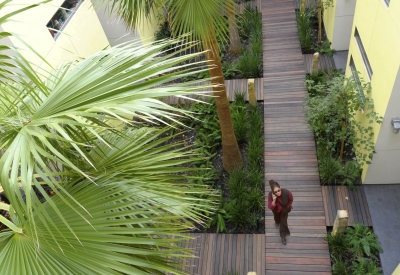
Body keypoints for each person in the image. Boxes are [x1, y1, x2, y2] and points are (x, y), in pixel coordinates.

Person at [267, 179, 293, 245]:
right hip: (276, 210)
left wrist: (287, 206)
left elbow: (291, 199)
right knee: (277, 218)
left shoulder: (287, 193)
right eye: (275, 192)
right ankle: (277, 221)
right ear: (273, 192)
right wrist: (274, 200)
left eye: (279, 190)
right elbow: (270, 207)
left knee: (283, 222)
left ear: (280, 188)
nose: (278, 192)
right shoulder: (270, 195)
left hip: (284, 211)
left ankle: (283, 236)